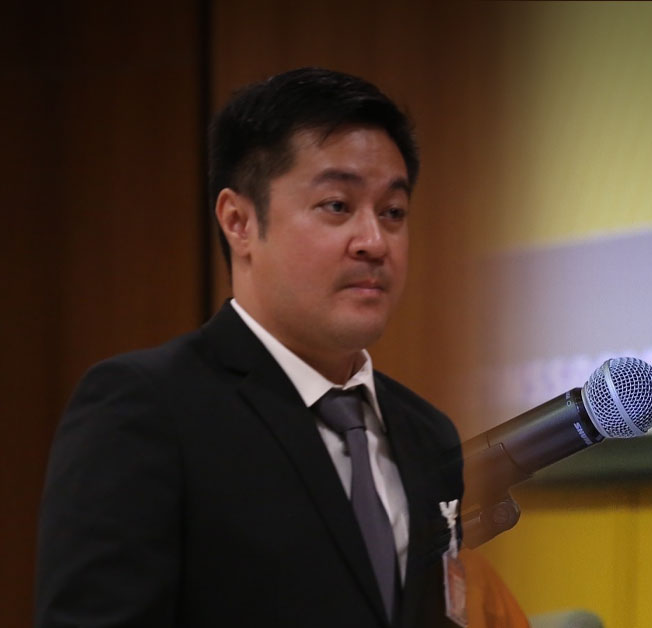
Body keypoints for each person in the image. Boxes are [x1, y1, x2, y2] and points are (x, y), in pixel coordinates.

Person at [37, 68, 465, 628]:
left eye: (393, 213)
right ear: (238, 221)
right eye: (337, 205)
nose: (374, 242)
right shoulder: (147, 409)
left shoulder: (429, 436)